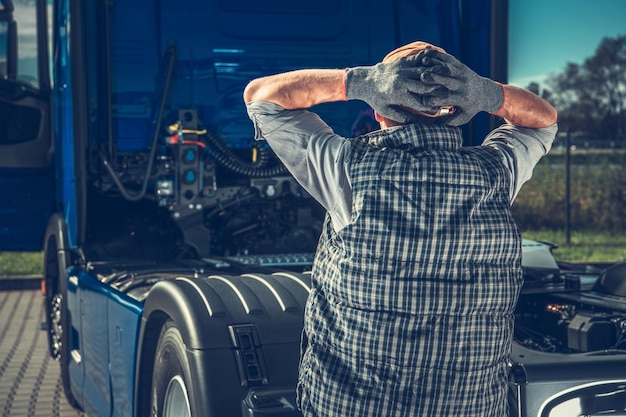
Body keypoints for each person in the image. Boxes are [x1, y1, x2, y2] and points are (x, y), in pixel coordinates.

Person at [243, 41, 557, 417]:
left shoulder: (346, 167)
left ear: (379, 108)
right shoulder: (497, 173)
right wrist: (486, 92)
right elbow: (544, 119)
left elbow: (261, 96)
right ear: (457, 110)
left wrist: (357, 82)